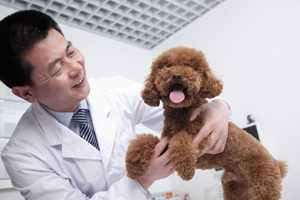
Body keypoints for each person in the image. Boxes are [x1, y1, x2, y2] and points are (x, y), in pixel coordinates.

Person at [0, 10, 231, 200]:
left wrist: (219, 107)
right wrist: (143, 179)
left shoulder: (115, 90)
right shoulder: (22, 155)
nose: (76, 68)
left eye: (71, 51)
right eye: (57, 68)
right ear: (25, 92)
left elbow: (183, 116)